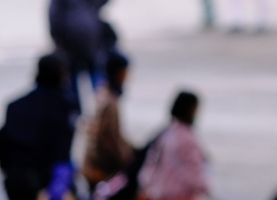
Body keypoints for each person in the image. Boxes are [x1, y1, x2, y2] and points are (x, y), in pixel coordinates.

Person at [0, 54, 78, 200]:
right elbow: (62, 155)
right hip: (47, 184)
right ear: (62, 74)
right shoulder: (65, 106)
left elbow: (4, 146)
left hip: (17, 183)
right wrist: (56, 191)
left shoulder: (14, 106)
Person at [48, 0, 112, 110]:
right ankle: (102, 109)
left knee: (73, 77)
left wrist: (55, 37)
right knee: (96, 72)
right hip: (93, 31)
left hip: (70, 37)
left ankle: (75, 113)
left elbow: (53, 14)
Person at [137, 91, 210, 200]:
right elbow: (195, 172)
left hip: (158, 193)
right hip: (178, 195)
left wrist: (146, 188)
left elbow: (151, 164)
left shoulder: (165, 132)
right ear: (190, 110)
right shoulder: (187, 138)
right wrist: (206, 188)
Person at [83, 52, 134, 193]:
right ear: (120, 72)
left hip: (91, 164)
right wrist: (129, 158)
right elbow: (109, 140)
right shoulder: (110, 102)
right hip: (100, 168)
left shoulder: (101, 93)